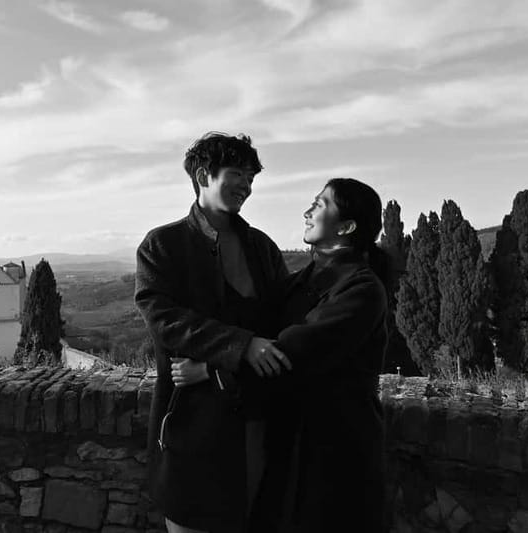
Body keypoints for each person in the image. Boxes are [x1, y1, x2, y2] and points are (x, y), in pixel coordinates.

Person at [176, 177, 390, 533]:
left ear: (347, 226)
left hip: (335, 453)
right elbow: (256, 318)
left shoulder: (362, 289)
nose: (307, 211)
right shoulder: (307, 279)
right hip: (294, 446)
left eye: (320, 205)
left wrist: (213, 371)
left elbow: (294, 352)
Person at [134, 132, 291, 533]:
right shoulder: (162, 246)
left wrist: (220, 365)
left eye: (252, 177)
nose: (247, 186)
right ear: (204, 175)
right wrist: (241, 345)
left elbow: (284, 326)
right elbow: (164, 320)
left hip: (255, 423)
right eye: (237, 173)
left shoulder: (262, 248)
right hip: (191, 424)